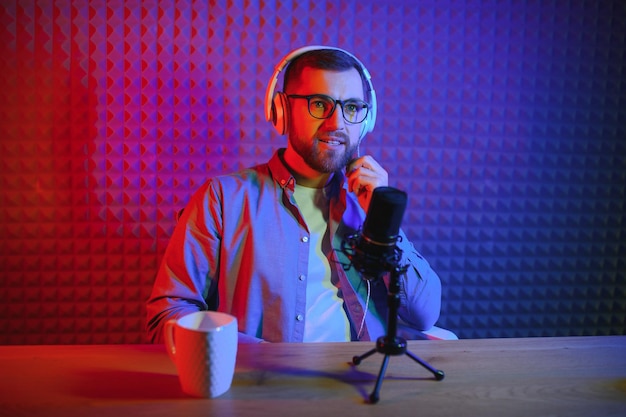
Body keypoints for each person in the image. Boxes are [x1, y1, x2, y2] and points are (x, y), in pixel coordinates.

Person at [146, 45, 442, 343]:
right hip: (262, 385)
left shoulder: (365, 200)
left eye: (351, 107)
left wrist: (382, 218)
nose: (337, 124)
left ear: (366, 120)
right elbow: (169, 313)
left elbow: (424, 314)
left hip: (359, 382)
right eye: (319, 104)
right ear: (282, 110)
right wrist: (260, 360)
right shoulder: (223, 199)